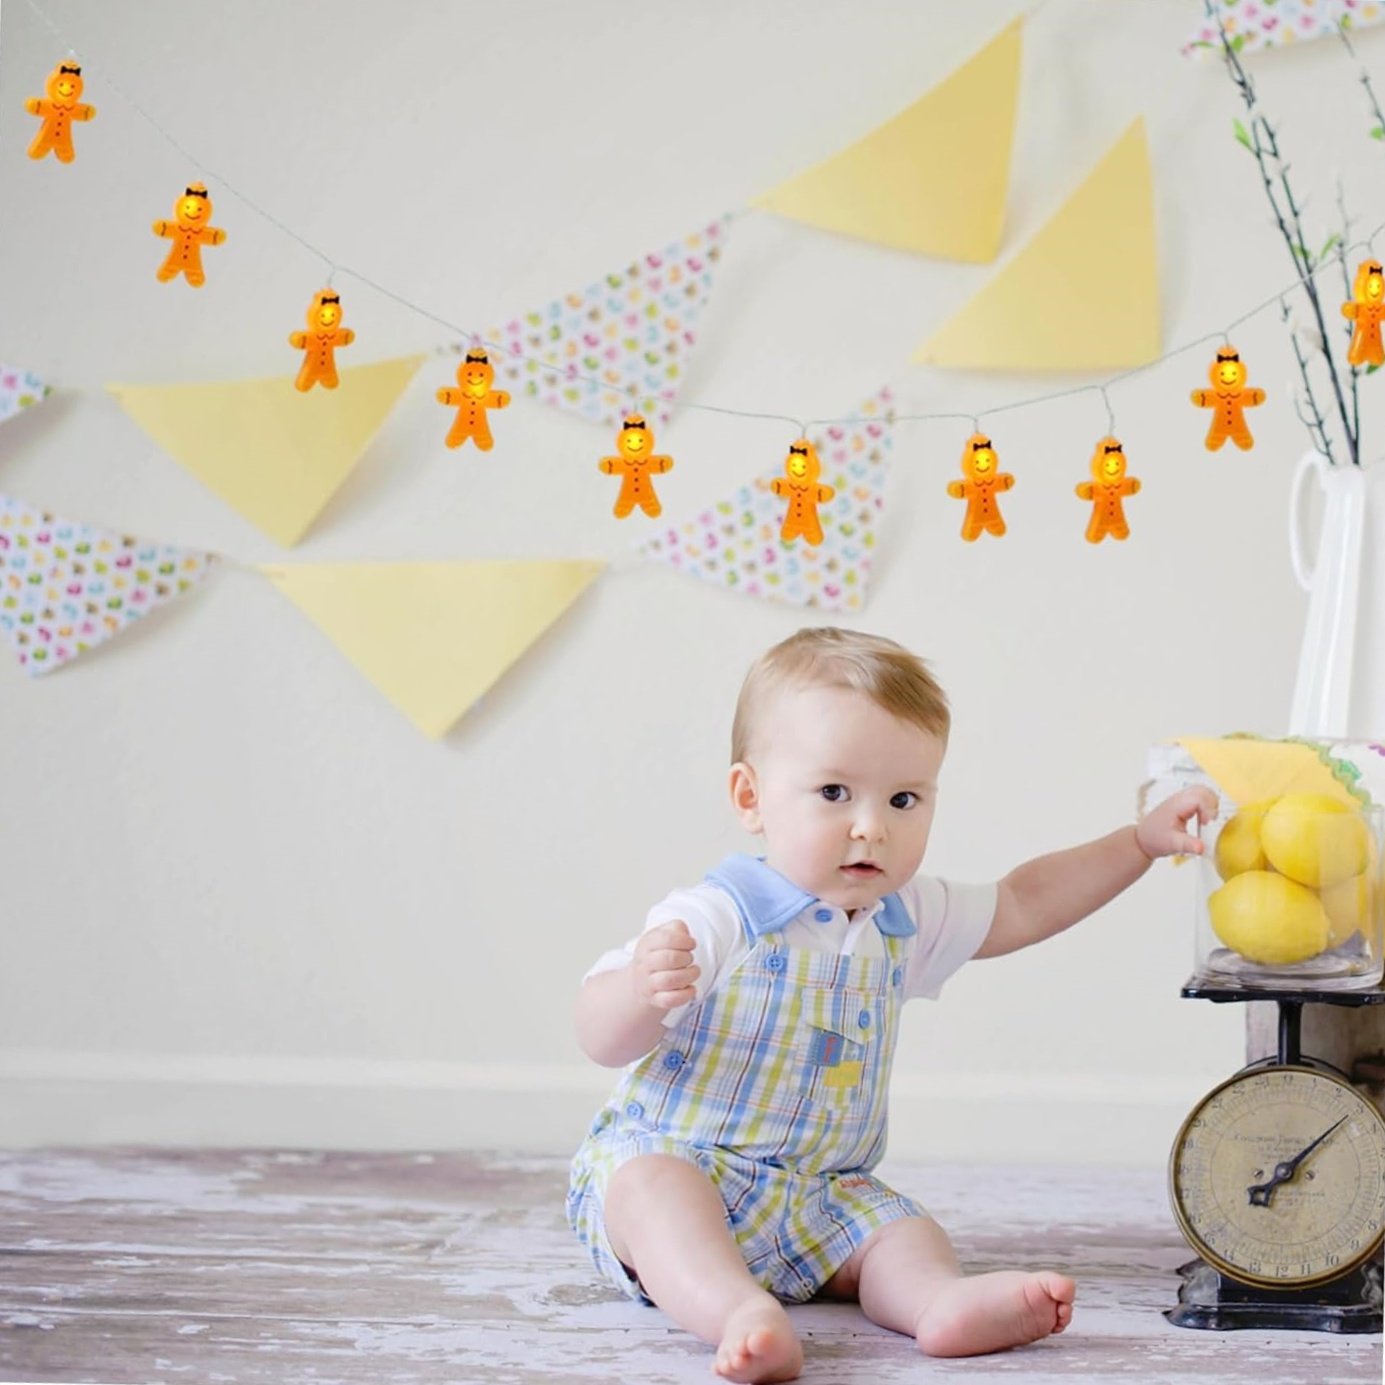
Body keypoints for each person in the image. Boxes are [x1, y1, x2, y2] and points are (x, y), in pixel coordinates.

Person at [568, 626, 1215, 1384]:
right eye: (834, 792)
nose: (872, 823)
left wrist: (1137, 842)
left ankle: (936, 1302)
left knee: (898, 1229)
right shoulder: (720, 915)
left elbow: (1024, 900)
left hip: (818, 1193)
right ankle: (736, 1310)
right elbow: (597, 1034)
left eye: (903, 797)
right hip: (685, 1162)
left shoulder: (899, 917)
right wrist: (641, 994)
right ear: (751, 797)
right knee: (652, 1191)